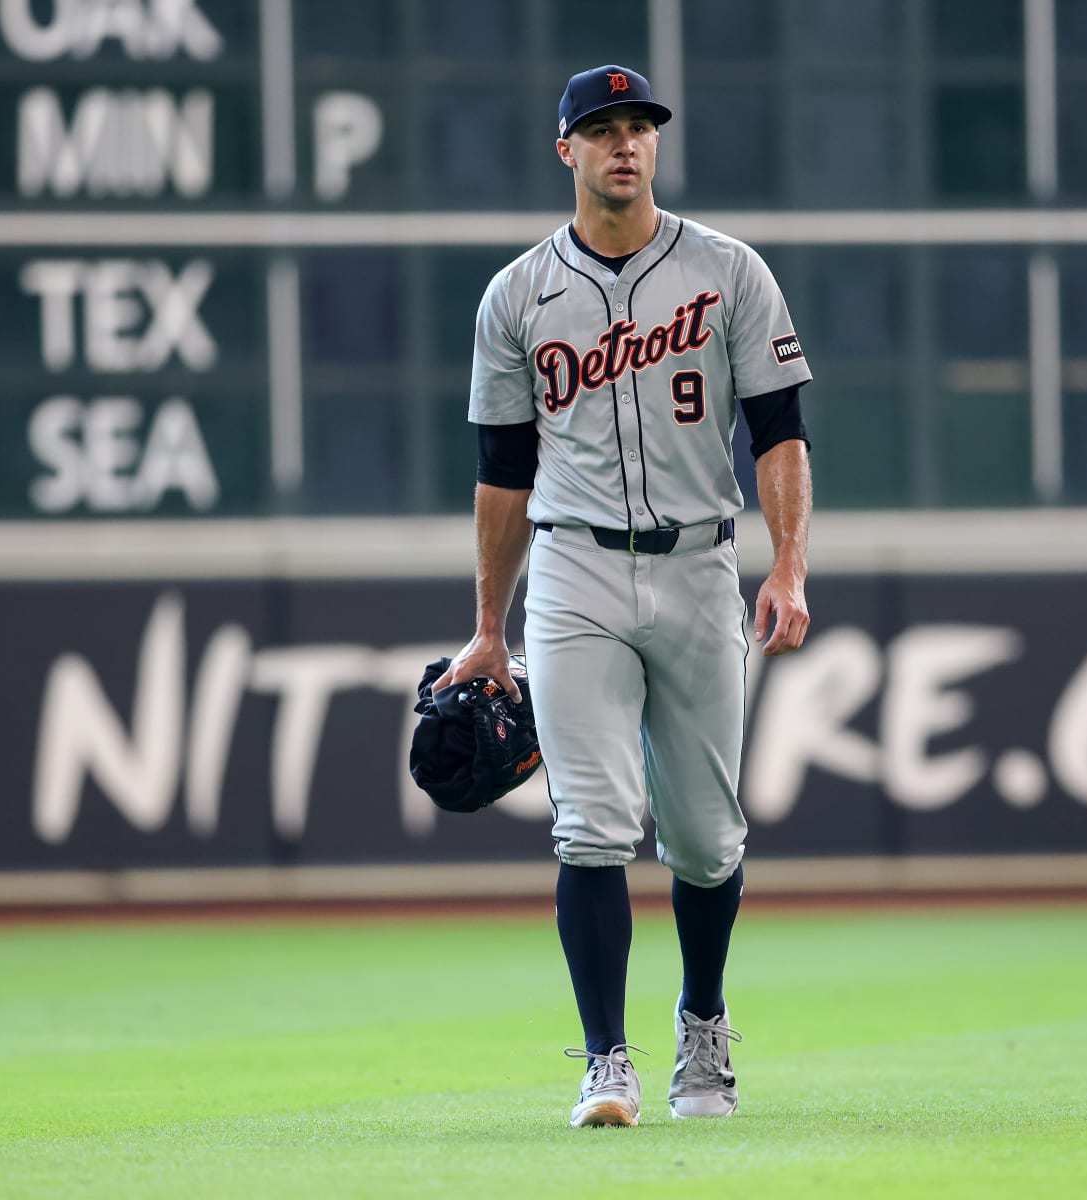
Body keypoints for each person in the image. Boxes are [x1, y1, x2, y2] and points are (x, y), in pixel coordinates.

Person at [432, 63, 814, 1128]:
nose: (625, 144)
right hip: (574, 566)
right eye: (601, 128)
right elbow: (503, 472)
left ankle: (703, 1026)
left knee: (704, 838)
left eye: (638, 126)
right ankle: (606, 1059)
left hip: (700, 562)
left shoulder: (729, 271)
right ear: (568, 150)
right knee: (591, 824)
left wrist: (786, 567)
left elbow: (780, 430)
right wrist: (485, 628)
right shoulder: (517, 295)